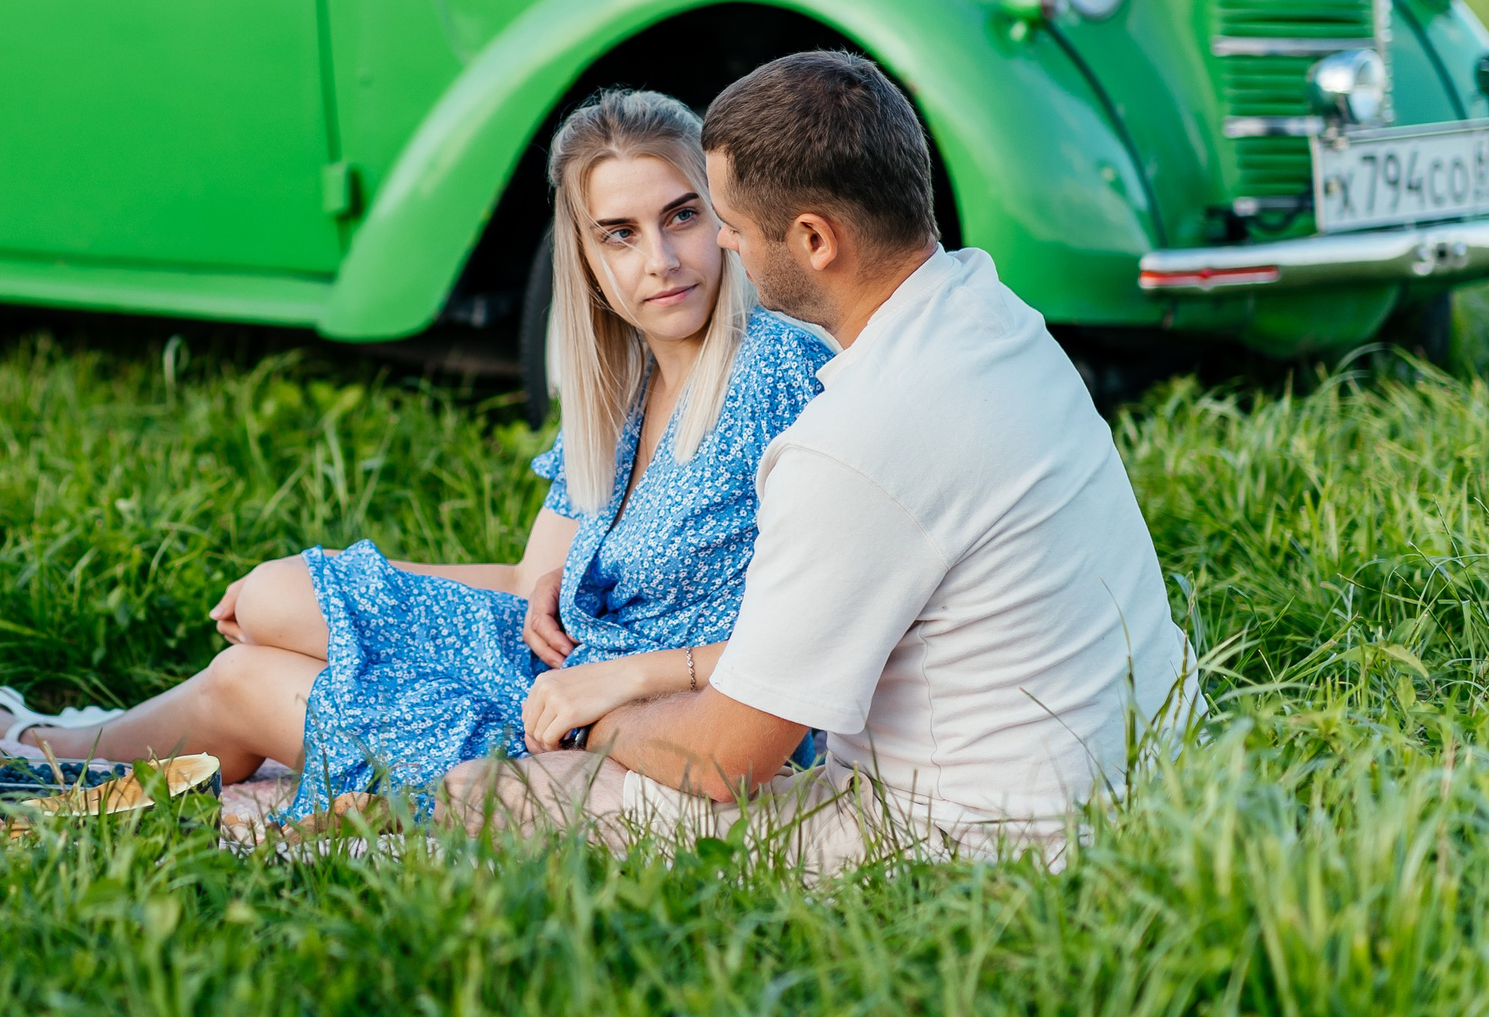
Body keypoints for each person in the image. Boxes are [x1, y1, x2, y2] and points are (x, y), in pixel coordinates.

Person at [0, 89, 831, 811]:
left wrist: (620, 679)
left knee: (244, 679)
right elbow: (530, 589)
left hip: (617, 720)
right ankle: (60, 743)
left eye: (680, 216)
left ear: (723, 217)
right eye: (620, 235)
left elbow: (818, 621)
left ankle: (46, 752)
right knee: (285, 592)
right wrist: (372, 581)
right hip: (547, 667)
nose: (660, 260)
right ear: (586, 258)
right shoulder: (620, 389)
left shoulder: (777, 372)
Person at [447, 51, 1198, 871]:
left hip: (974, 835)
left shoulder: (850, 444)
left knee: (509, 792)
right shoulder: (994, 315)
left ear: (813, 239)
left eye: (725, 220)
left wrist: (594, 710)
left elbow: (726, 759)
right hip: (1138, 776)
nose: (722, 244)